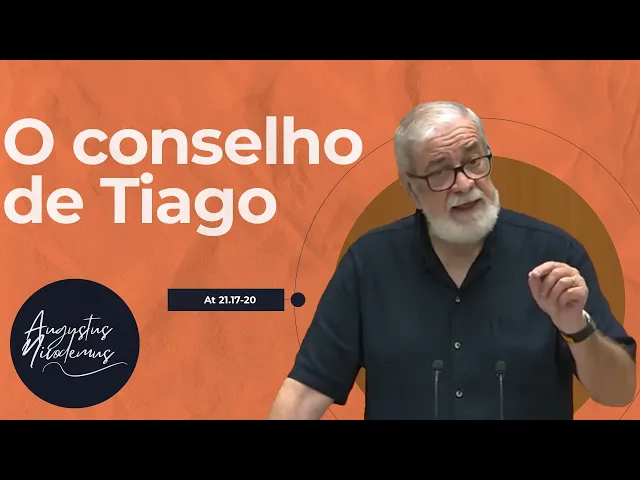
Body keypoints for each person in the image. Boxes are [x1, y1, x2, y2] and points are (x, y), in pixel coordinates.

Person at [267, 101, 637, 420]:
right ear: (411, 189)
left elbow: (619, 391)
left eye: (474, 161)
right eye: (440, 171)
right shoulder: (369, 264)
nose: (464, 183)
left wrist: (576, 327)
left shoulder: (554, 254)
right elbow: (304, 394)